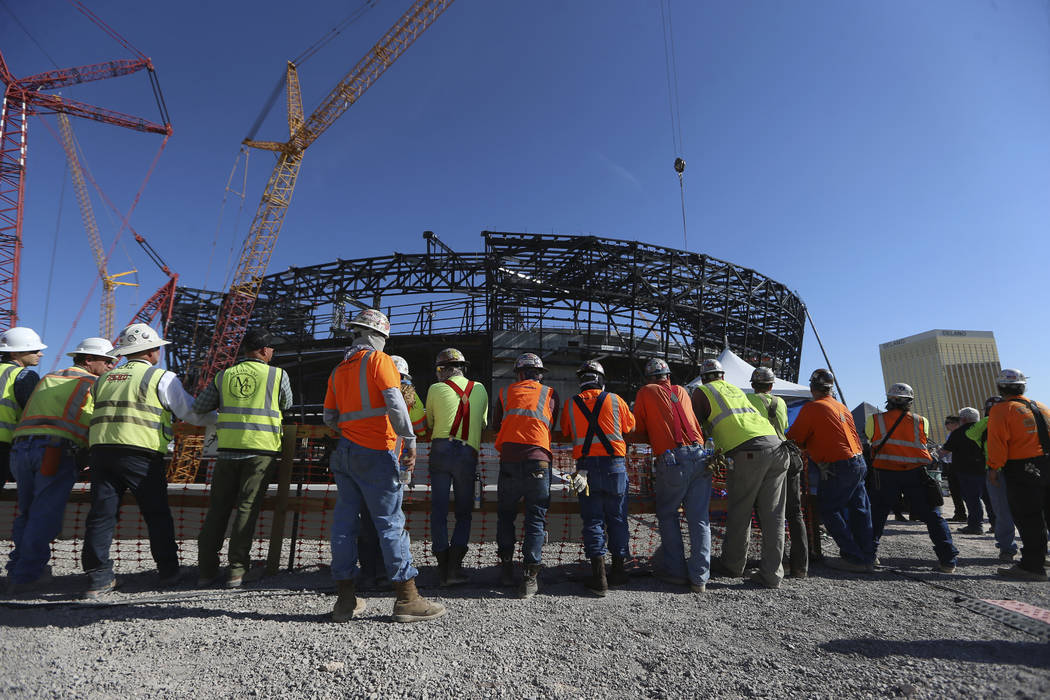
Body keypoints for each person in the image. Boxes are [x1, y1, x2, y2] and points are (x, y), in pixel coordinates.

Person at [323, 309, 445, 622]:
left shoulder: (338, 370)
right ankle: (407, 599)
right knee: (390, 523)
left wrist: (352, 430)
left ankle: (345, 602)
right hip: (376, 451)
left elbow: (329, 418)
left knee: (344, 525)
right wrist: (411, 441)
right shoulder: (381, 361)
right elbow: (395, 404)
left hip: (345, 453)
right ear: (380, 336)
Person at [82, 324, 217, 598]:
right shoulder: (161, 377)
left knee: (101, 516)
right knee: (156, 514)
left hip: (101, 452)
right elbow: (190, 413)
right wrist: (221, 420)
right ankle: (168, 572)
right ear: (152, 351)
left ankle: (98, 580)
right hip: (140, 454)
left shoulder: (103, 379)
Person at [5, 337, 114, 593]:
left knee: (27, 511)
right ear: (88, 360)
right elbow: (93, 420)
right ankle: (27, 577)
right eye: (107, 360)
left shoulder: (47, 378)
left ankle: (18, 570)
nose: (111, 365)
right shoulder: (91, 383)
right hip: (53, 451)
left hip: (21, 448)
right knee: (45, 515)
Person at [194, 329, 292, 589]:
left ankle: (205, 571)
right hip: (261, 451)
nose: (273, 352)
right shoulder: (277, 374)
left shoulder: (223, 376)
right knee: (246, 510)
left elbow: (199, 407)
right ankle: (236, 571)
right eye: (271, 348)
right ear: (262, 350)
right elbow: (287, 404)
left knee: (218, 510)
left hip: (227, 451)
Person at [693, 359, 789, 589]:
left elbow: (694, 424)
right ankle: (772, 574)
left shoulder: (702, 391)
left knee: (740, 510)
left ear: (704, 377)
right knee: (774, 515)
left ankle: (733, 565)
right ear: (723, 376)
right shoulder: (736, 390)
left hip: (748, 453)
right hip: (778, 448)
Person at [631, 358, 709, 592]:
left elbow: (638, 428)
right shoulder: (682, 391)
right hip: (700, 454)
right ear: (668, 376)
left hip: (673, 459)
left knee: (667, 514)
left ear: (649, 377)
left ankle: (675, 572)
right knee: (699, 519)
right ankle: (700, 578)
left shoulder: (646, 392)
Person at [786, 369, 874, 573]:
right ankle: (868, 556)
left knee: (828, 508)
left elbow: (795, 438)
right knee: (860, 510)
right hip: (858, 462)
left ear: (812, 388)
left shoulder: (813, 408)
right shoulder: (841, 406)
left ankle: (853, 557)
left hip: (839, 465)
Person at [560, 360, 635, 597]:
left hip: (585, 470)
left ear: (581, 381)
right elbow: (630, 427)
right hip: (615, 467)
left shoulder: (571, 404)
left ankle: (599, 576)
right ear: (601, 379)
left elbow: (566, 432)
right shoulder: (615, 400)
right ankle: (620, 571)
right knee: (618, 518)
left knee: (592, 520)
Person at [865, 383, 958, 573]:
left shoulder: (874, 420)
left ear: (888, 400)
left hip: (885, 473)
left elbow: (870, 439)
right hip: (915, 474)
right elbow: (921, 441)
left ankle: (868, 556)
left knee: (877, 514)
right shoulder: (921, 421)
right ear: (910, 401)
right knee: (932, 516)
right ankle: (948, 560)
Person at [356, 354, 424, 591]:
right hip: (396, 462)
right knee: (391, 523)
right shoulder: (410, 396)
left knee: (367, 521)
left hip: (369, 460)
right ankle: (390, 575)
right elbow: (421, 426)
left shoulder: (370, 392)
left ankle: (367, 574)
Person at [493, 352, 559, 599]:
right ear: (539, 374)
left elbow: (497, 424)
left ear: (518, 374)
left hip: (509, 458)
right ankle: (530, 578)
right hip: (538, 460)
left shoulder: (504, 392)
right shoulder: (550, 393)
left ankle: (506, 570)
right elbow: (551, 423)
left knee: (506, 515)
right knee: (536, 517)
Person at [425, 347, 488, 587]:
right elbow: (482, 423)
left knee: (438, 510)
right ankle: (454, 567)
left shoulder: (435, 389)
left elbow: (430, 421)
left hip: (441, 450)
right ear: (462, 368)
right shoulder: (480, 388)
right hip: (466, 453)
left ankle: (441, 564)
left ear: (442, 370)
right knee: (464, 512)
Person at [987, 369, 1050, 582]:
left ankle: (1033, 566)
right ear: (1023, 386)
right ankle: (1039, 559)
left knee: (1029, 517)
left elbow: (997, 442)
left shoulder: (1002, 409)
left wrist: (994, 468)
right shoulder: (1041, 407)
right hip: (1047, 463)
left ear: (1000, 387)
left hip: (1023, 468)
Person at [748, 366, 808, 578]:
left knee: (770, 512)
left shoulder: (749, 401)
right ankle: (800, 566)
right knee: (795, 512)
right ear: (772, 385)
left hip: (766, 457)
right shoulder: (781, 402)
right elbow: (783, 426)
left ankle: (779, 563)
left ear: (753, 385)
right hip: (788, 455)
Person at [967, 396, 1018, 563]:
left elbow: (971, 433)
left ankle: (1008, 549)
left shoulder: (987, 424)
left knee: (1003, 512)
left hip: (997, 471)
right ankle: (1037, 549)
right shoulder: (1015, 418)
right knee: (1028, 510)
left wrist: (990, 418)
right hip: (1016, 469)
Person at [0, 327, 46, 487]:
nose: (40, 354)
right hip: (5, 443)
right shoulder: (24, 375)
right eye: (34, 350)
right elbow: (34, 414)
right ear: (14, 353)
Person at [941, 407, 990, 535]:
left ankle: (975, 525)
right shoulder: (985, 429)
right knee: (989, 499)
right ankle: (995, 524)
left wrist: (930, 458)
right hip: (987, 468)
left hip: (966, 470)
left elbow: (945, 451)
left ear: (963, 419)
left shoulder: (959, 432)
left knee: (972, 498)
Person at [940, 415, 967, 523]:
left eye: (948, 422)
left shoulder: (957, 434)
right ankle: (960, 513)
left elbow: (948, 450)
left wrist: (940, 453)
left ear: (956, 423)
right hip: (952, 464)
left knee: (960, 491)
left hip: (957, 465)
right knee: (955, 491)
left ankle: (962, 514)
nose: (946, 424)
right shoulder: (951, 434)